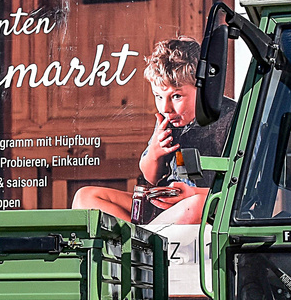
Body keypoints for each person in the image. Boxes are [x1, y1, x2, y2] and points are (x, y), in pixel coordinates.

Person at [73, 37, 234, 227]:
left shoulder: (232, 117)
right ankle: (141, 244)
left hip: (205, 208)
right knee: (85, 197)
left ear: (204, 88)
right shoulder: (170, 121)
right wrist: (155, 153)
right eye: (158, 96)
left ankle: (149, 244)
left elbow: (246, 191)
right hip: (163, 207)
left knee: (194, 206)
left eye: (176, 96)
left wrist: (193, 194)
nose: (165, 107)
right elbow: (151, 177)